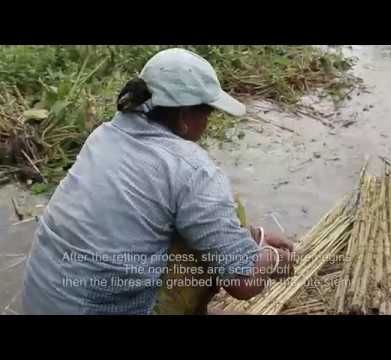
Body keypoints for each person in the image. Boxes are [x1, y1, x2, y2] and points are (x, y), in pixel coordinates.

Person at [22, 48, 296, 315]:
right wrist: (272, 259)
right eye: (208, 113)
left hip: (39, 301)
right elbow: (243, 282)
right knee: (223, 214)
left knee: (189, 218)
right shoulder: (192, 169)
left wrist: (253, 238)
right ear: (185, 116)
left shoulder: (104, 135)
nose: (208, 122)